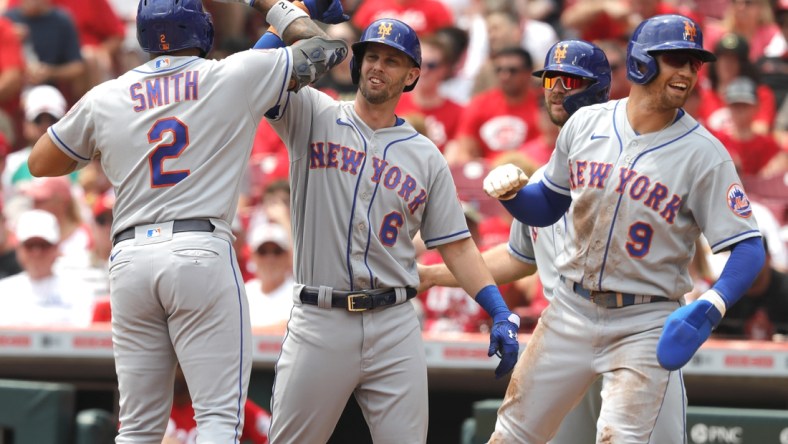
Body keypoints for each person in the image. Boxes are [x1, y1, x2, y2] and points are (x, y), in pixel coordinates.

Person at [25, 0, 349, 440]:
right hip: (198, 250)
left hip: (130, 257)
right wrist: (278, 6)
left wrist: (108, 142)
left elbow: (42, 161)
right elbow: (324, 49)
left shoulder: (108, 94)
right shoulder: (228, 76)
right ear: (201, 27)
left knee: (138, 425)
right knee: (217, 417)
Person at [482, 15, 765, 442]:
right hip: (570, 309)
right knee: (511, 434)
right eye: (675, 59)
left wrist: (712, 305)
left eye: (693, 63)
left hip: (645, 318)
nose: (687, 72)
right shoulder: (585, 123)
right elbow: (548, 206)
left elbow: (748, 248)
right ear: (639, 64)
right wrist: (514, 198)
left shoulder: (706, 154)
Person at [254, 18, 520, 443]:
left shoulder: (426, 156)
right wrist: (287, 16)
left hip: (395, 322)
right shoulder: (313, 112)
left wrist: (499, 310)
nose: (378, 66)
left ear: (413, 74)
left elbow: (456, 245)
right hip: (321, 318)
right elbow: (254, 74)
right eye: (371, 56)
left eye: (392, 60)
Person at [422, 39, 685, 443]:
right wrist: (435, 275)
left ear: (598, 87)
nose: (557, 88)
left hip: (636, 329)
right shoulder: (544, 175)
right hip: (567, 332)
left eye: (570, 79)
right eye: (550, 81)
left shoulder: (639, 165)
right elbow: (519, 258)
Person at [0, 209, 95, 327]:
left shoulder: (78, 290)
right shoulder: (4, 290)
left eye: (43, 245)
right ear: (19, 249)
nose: (36, 253)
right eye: (30, 246)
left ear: (56, 248)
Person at [244, 221, 294, 327]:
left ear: (287, 256)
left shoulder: (298, 295)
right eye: (263, 252)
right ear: (253, 256)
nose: (270, 259)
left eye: (277, 251)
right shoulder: (244, 292)